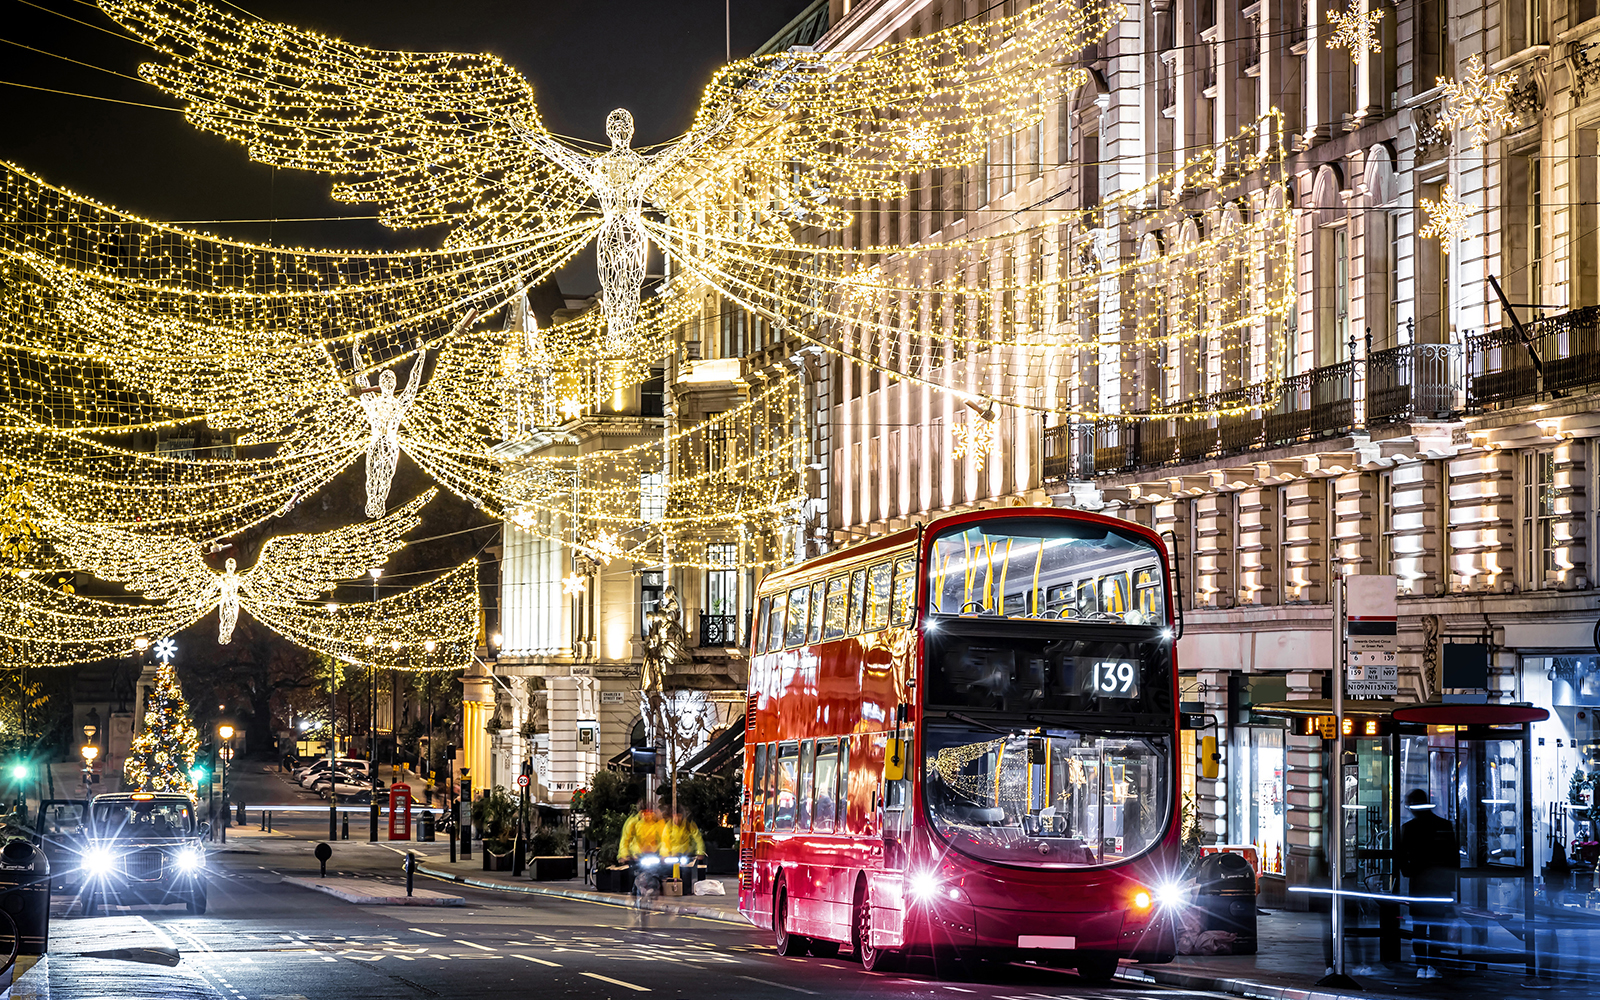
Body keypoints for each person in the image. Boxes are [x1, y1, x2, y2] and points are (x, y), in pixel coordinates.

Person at [1398, 787, 1459, 979]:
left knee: (1419, 927)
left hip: (1419, 885)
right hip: (1439, 886)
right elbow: (1453, 859)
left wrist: (1408, 871)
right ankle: (1432, 965)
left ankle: (1421, 966)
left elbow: (1401, 857)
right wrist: (1450, 886)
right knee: (1436, 928)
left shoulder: (1408, 828)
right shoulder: (1444, 825)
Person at [664, 808, 706, 891]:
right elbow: (664, 841)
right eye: (675, 816)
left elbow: (697, 838)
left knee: (686, 871)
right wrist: (665, 853)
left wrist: (700, 852)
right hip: (672, 855)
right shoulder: (668, 826)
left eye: (679, 816)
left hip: (686, 853)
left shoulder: (689, 825)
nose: (677, 819)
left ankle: (686, 889)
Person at [617, 799, 663, 864]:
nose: (648, 815)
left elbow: (664, 840)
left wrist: (665, 854)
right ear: (641, 812)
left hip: (655, 856)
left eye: (650, 812)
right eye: (645, 812)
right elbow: (625, 840)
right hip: (637, 857)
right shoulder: (633, 823)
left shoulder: (658, 823)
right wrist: (624, 855)